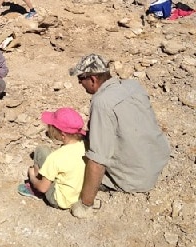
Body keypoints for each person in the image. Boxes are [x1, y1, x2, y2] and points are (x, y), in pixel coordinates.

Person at [68, 54, 171, 218]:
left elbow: (97, 161)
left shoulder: (102, 102)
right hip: (157, 158)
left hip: (136, 178)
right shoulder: (132, 86)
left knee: (74, 165)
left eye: (81, 79)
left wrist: (85, 204)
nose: (80, 83)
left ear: (93, 79)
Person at [17, 108, 87, 210]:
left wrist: (32, 177)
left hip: (60, 200)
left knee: (42, 150)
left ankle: (34, 189)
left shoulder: (56, 158)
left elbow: (43, 188)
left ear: (63, 135)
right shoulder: (85, 146)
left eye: (52, 127)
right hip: (78, 195)